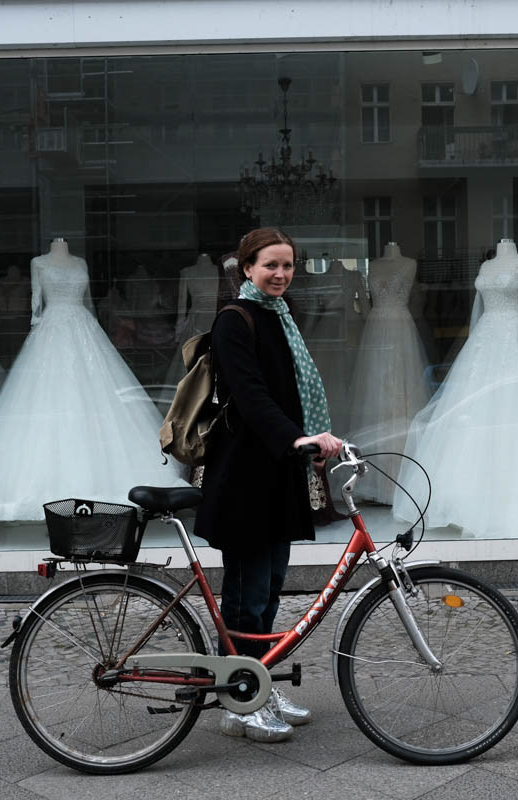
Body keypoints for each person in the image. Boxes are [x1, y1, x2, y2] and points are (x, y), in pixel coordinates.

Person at [193, 227, 343, 743]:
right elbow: (252, 396)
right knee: (245, 593)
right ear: (246, 267)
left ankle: (257, 681)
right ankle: (238, 700)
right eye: (270, 265)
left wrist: (304, 442)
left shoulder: (280, 315)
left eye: (288, 266)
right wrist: (298, 440)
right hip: (246, 477)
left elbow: (290, 391)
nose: (280, 274)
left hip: (277, 473)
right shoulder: (235, 320)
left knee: (270, 591)